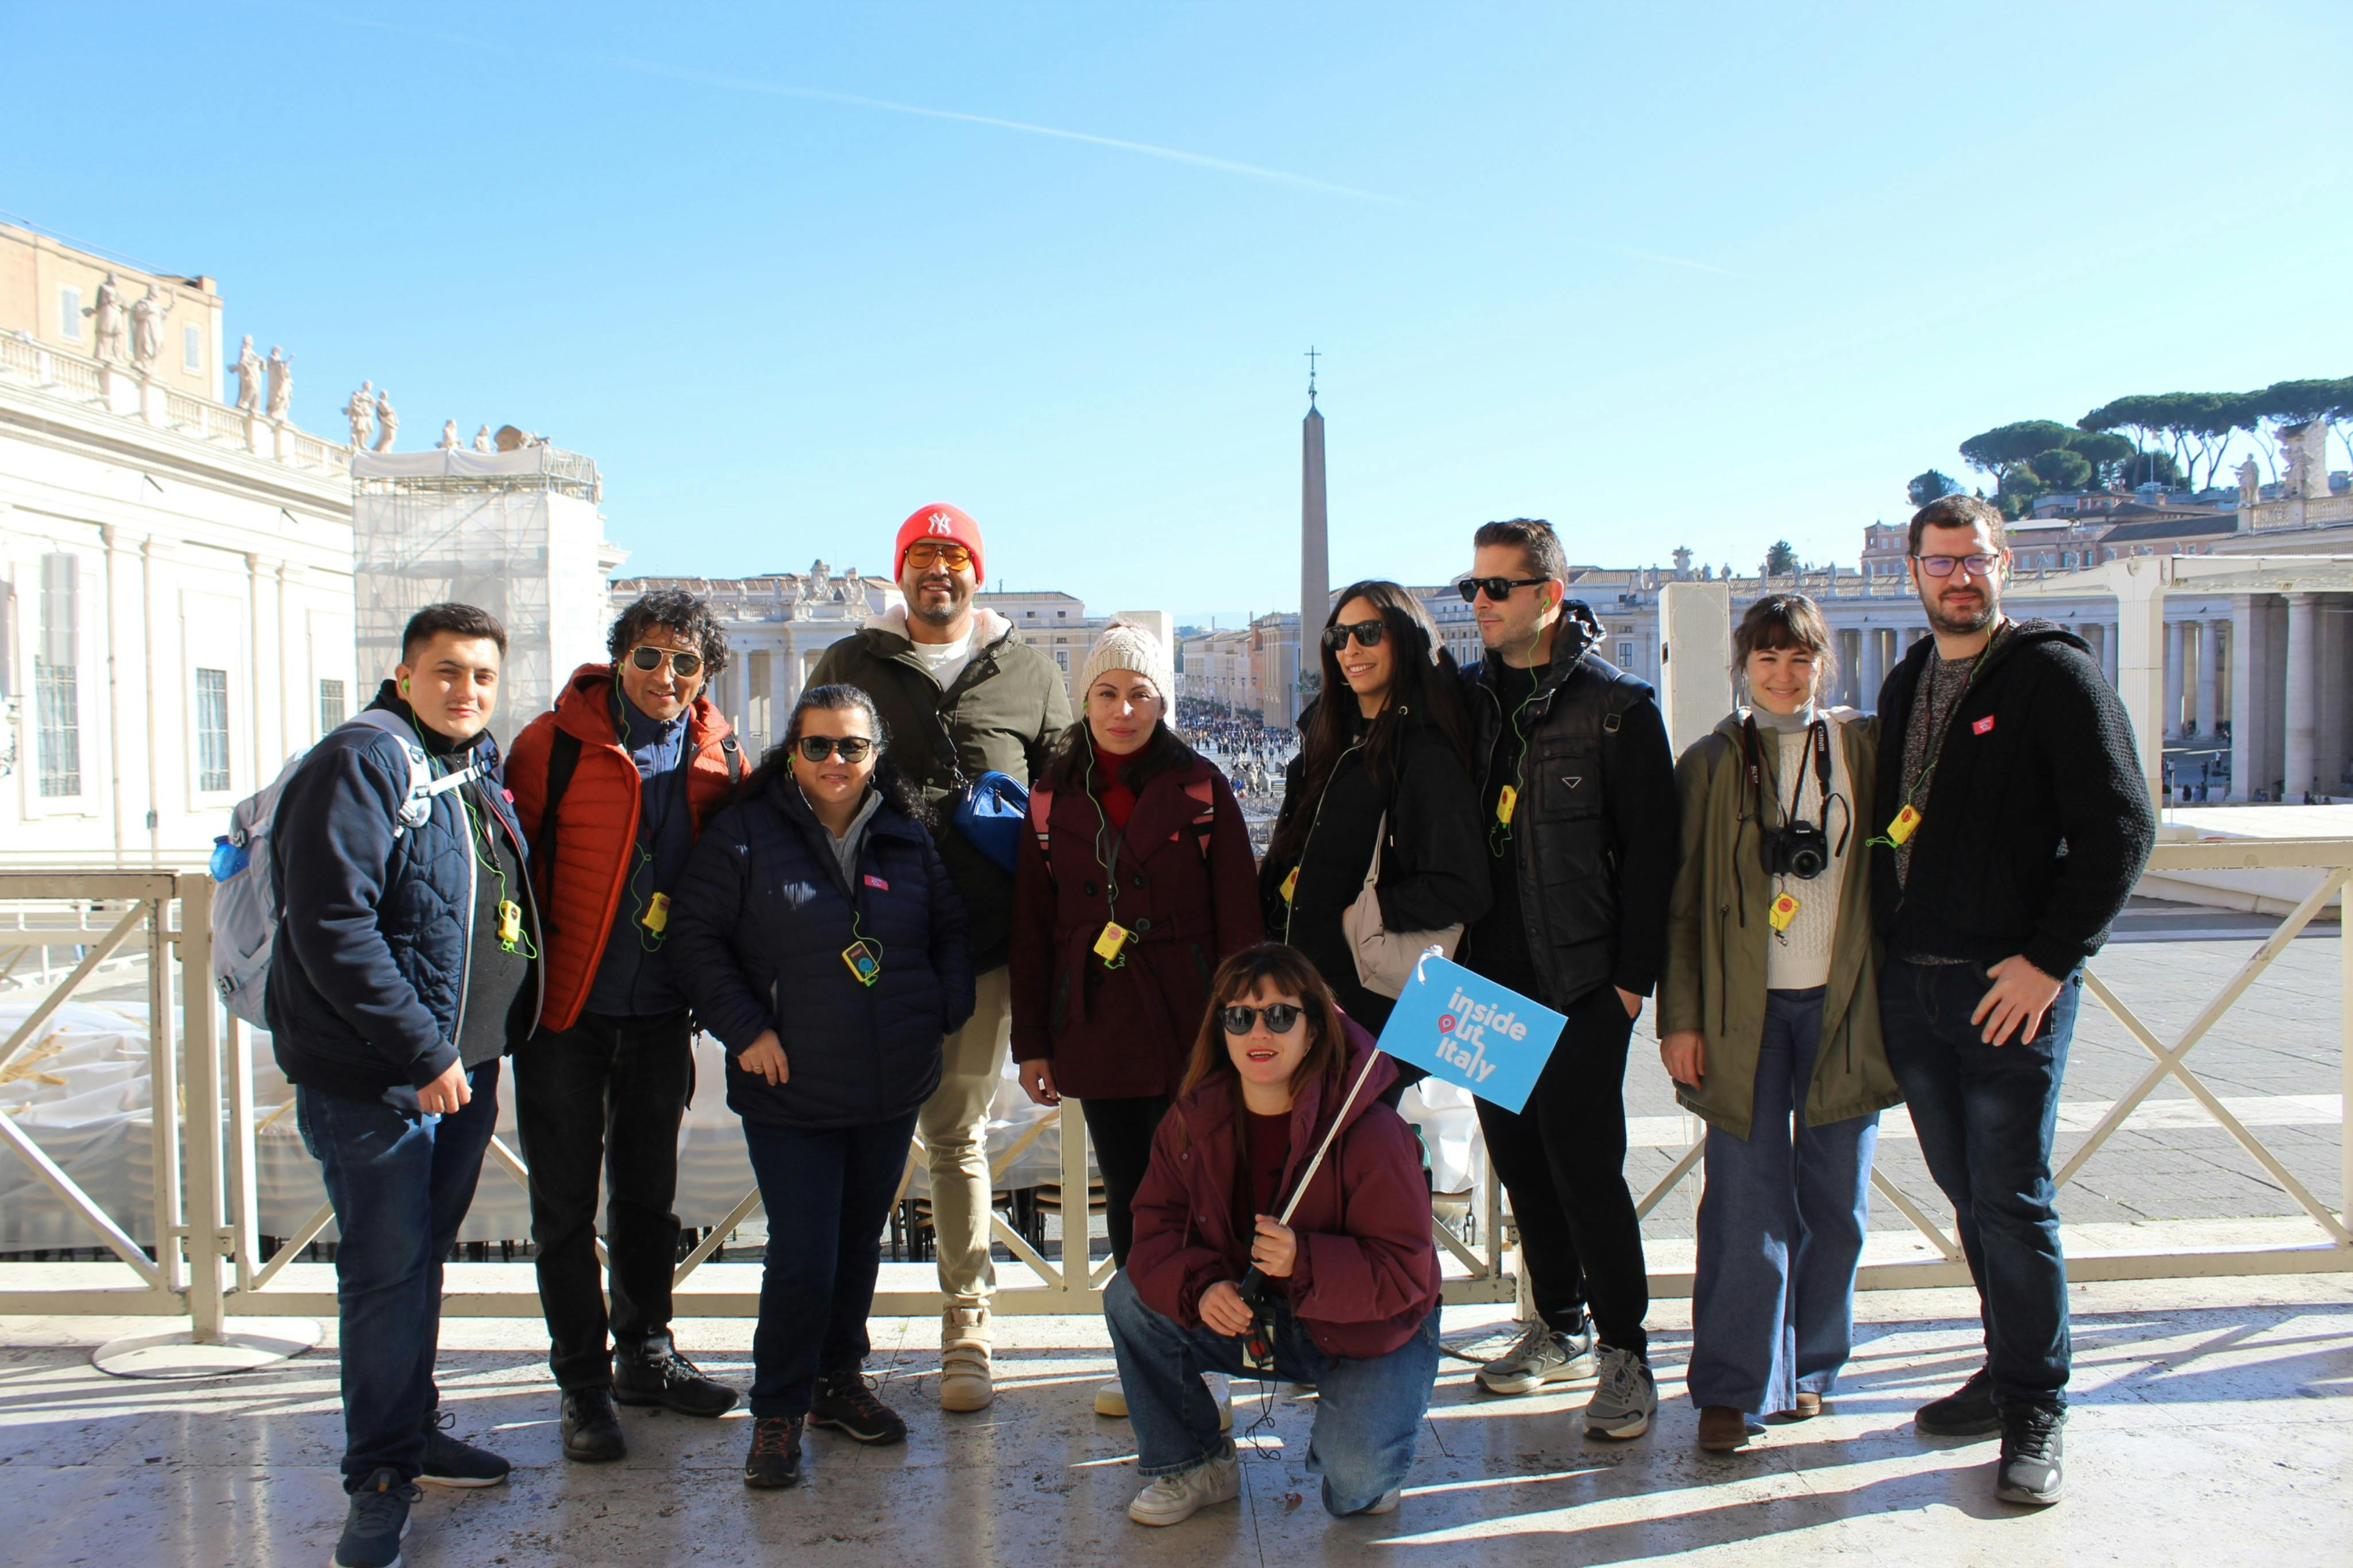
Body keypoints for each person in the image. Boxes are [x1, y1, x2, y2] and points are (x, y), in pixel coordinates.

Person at [1870, 495, 2154, 1507]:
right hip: (1916, 987)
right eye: (1941, 562)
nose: (1960, 577)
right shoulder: (1907, 677)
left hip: (2009, 990)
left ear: (2005, 566)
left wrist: (2049, 960)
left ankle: (2038, 1404)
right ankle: (2005, 1367)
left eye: (1975, 560)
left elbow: (2123, 829)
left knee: (2012, 1196)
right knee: (1968, 1194)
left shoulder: (2054, 675)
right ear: (1912, 571)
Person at [267, 604, 537, 1568]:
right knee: (385, 1273)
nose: (467, 690)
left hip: (459, 1072)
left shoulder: (469, 764)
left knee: (418, 1263)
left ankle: (412, 1430)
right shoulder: (362, 761)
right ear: (405, 674)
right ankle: (379, 1475)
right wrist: (423, 1051)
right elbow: (332, 925)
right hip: (382, 1078)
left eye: (483, 676)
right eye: (448, 671)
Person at [667, 685, 975, 1489]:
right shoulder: (745, 833)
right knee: (803, 1252)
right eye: (818, 746)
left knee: (857, 1244)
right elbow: (695, 939)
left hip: (889, 1080)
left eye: (852, 747)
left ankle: (838, 1380)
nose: (835, 761)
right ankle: (777, 1407)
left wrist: (942, 1007)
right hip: (791, 1084)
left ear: (875, 755)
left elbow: (949, 931)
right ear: (792, 752)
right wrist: (745, 1028)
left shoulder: (904, 834)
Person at [806, 503, 1070, 1411]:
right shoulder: (849, 662)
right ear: (901, 572)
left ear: (976, 573)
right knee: (852, 1136)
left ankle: (967, 1325)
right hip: (868, 942)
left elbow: (1069, 800)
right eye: (922, 554)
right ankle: (834, 1341)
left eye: (954, 556)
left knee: (957, 1134)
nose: (939, 570)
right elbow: (804, 778)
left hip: (986, 945)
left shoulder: (1031, 672)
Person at [505, 589, 744, 1462]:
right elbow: (509, 865)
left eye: (685, 662)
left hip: (659, 1014)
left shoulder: (721, 755)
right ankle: (581, 1383)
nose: (665, 676)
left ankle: (645, 1353)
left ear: (705, 673)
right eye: (648, 656)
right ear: (618, 659)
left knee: (647, 1200)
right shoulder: (551, 743)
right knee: (564, 1208)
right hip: (565, 1013)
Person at [1657, 594, 1900, 1452]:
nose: (1784, 674)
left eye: (1800, 658)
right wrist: (1680, 1018)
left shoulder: (1864, 750)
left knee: (1836, 1202)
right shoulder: (1711, 763)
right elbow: (1681, 903)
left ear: (1822, 665)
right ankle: (1731, 1387)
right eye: (1767, 658)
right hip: (1740, 1016)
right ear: (1742, 667)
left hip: (1846, 1007)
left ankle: (1810, 1368)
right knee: (1743, 1202)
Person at [1455, 517, 1677, 1436]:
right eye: (1472, 585)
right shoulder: (1464, 700)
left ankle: (1627, 1351)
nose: (1479, 602)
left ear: (1548, 595)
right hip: (1479, 977)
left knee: (1586, 1169)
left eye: (1497, 587)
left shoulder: (1618, 706)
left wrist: (1630, 985)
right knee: (1519, 1165)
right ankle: (1559, 1324)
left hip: (1581, 977)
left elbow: (1657, 852)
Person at [1009, 620, 1264, 1419]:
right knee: (1129, 1193)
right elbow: (1032, 928)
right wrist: (1032, 1042)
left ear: (1162, 702)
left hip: (1192, 1020)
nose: (1123, 710)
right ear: (1084, 699)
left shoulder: (1202, 789)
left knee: (1203, 1189)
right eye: (1108, 693)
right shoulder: (1048, 796)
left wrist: (1246, 1028)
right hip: (1097, 1020)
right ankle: (1148, 1358)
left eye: (1140, 694)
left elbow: (1240, 921)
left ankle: (1207, 1357)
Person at [1108, 943, 1442, 1526]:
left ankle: (1365, 1444)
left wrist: (1303, 1260)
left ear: (1313, 1031)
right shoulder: (1191, 1121)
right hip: (1254, 1318)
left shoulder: (1373, 1132)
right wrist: (1201, 1289)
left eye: (1281, 1015)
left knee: (1355, 1489)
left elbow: (1404, 1272)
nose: (1259, 1032)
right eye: (1239, 1017)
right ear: (1222, 1032)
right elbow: (1155, 1234)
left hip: (1366, 1328)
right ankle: (1194, 1464)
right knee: (1130, 1297)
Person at [1259, 580, 1488, 1098]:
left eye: (1367, 633)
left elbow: (1463, 887)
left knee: (1356, 1136)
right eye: (1338, 637)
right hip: (1302, 989)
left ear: (1404, 638)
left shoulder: (1425, 755)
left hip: (1370, 1003)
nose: (1350, 649)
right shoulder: (1325, 740)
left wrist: (1363, 913)